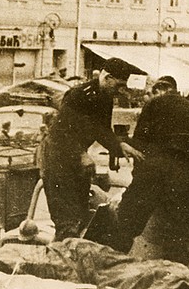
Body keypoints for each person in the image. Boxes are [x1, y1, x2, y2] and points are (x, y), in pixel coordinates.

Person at [110, 75, 189, 263]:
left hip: (152, 174)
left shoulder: (153, 106)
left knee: (126, 222)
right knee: (177, 234)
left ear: (159, 90)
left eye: (150, 93)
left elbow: (140, 143)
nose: (148, 98)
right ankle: (176, 276)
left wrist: (139, 174)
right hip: (182, 179)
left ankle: (113, 265)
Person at [41, 57, 143, 240]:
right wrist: (80, 154)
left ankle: (69, 256)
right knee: (67, 220)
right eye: (118, 85)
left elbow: (101, 129)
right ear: (108, 78)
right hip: (58, 156)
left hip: (76, 158)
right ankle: (62, 261)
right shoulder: (79, 94)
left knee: (80, 215)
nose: (120, 90)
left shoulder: (106, 98)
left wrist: (118, 145)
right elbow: (61, 132)